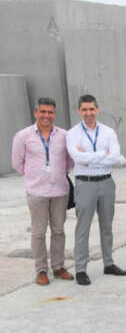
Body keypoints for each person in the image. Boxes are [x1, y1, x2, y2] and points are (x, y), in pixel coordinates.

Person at [11, 97, 75, 285]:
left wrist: (58, 174)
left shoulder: (64, 135)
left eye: (50, 112)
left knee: (58, 230)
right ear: (36, 113)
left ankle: (58, 267)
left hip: (60, 192)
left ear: (54, 114)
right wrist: (33, 177)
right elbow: (17, 162)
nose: (47, 115)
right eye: (43, 112)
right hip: (37, 192)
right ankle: (41, 270)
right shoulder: (23, 136)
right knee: (38, 232)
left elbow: (69, 161)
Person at [66, 94, 126, 285]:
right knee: (83, 228)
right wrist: (104, 154)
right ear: (79, 111)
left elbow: (116, 157)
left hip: (106, 183)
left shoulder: (108, 132)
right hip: (85, 184)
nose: (88, 113)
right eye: (84, 109)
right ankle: (80, 269)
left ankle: (108, 263)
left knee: (107, 226)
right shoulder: (73, 133)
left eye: (91, 109)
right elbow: (78, 157)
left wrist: (90, 156)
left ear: (97, 109)